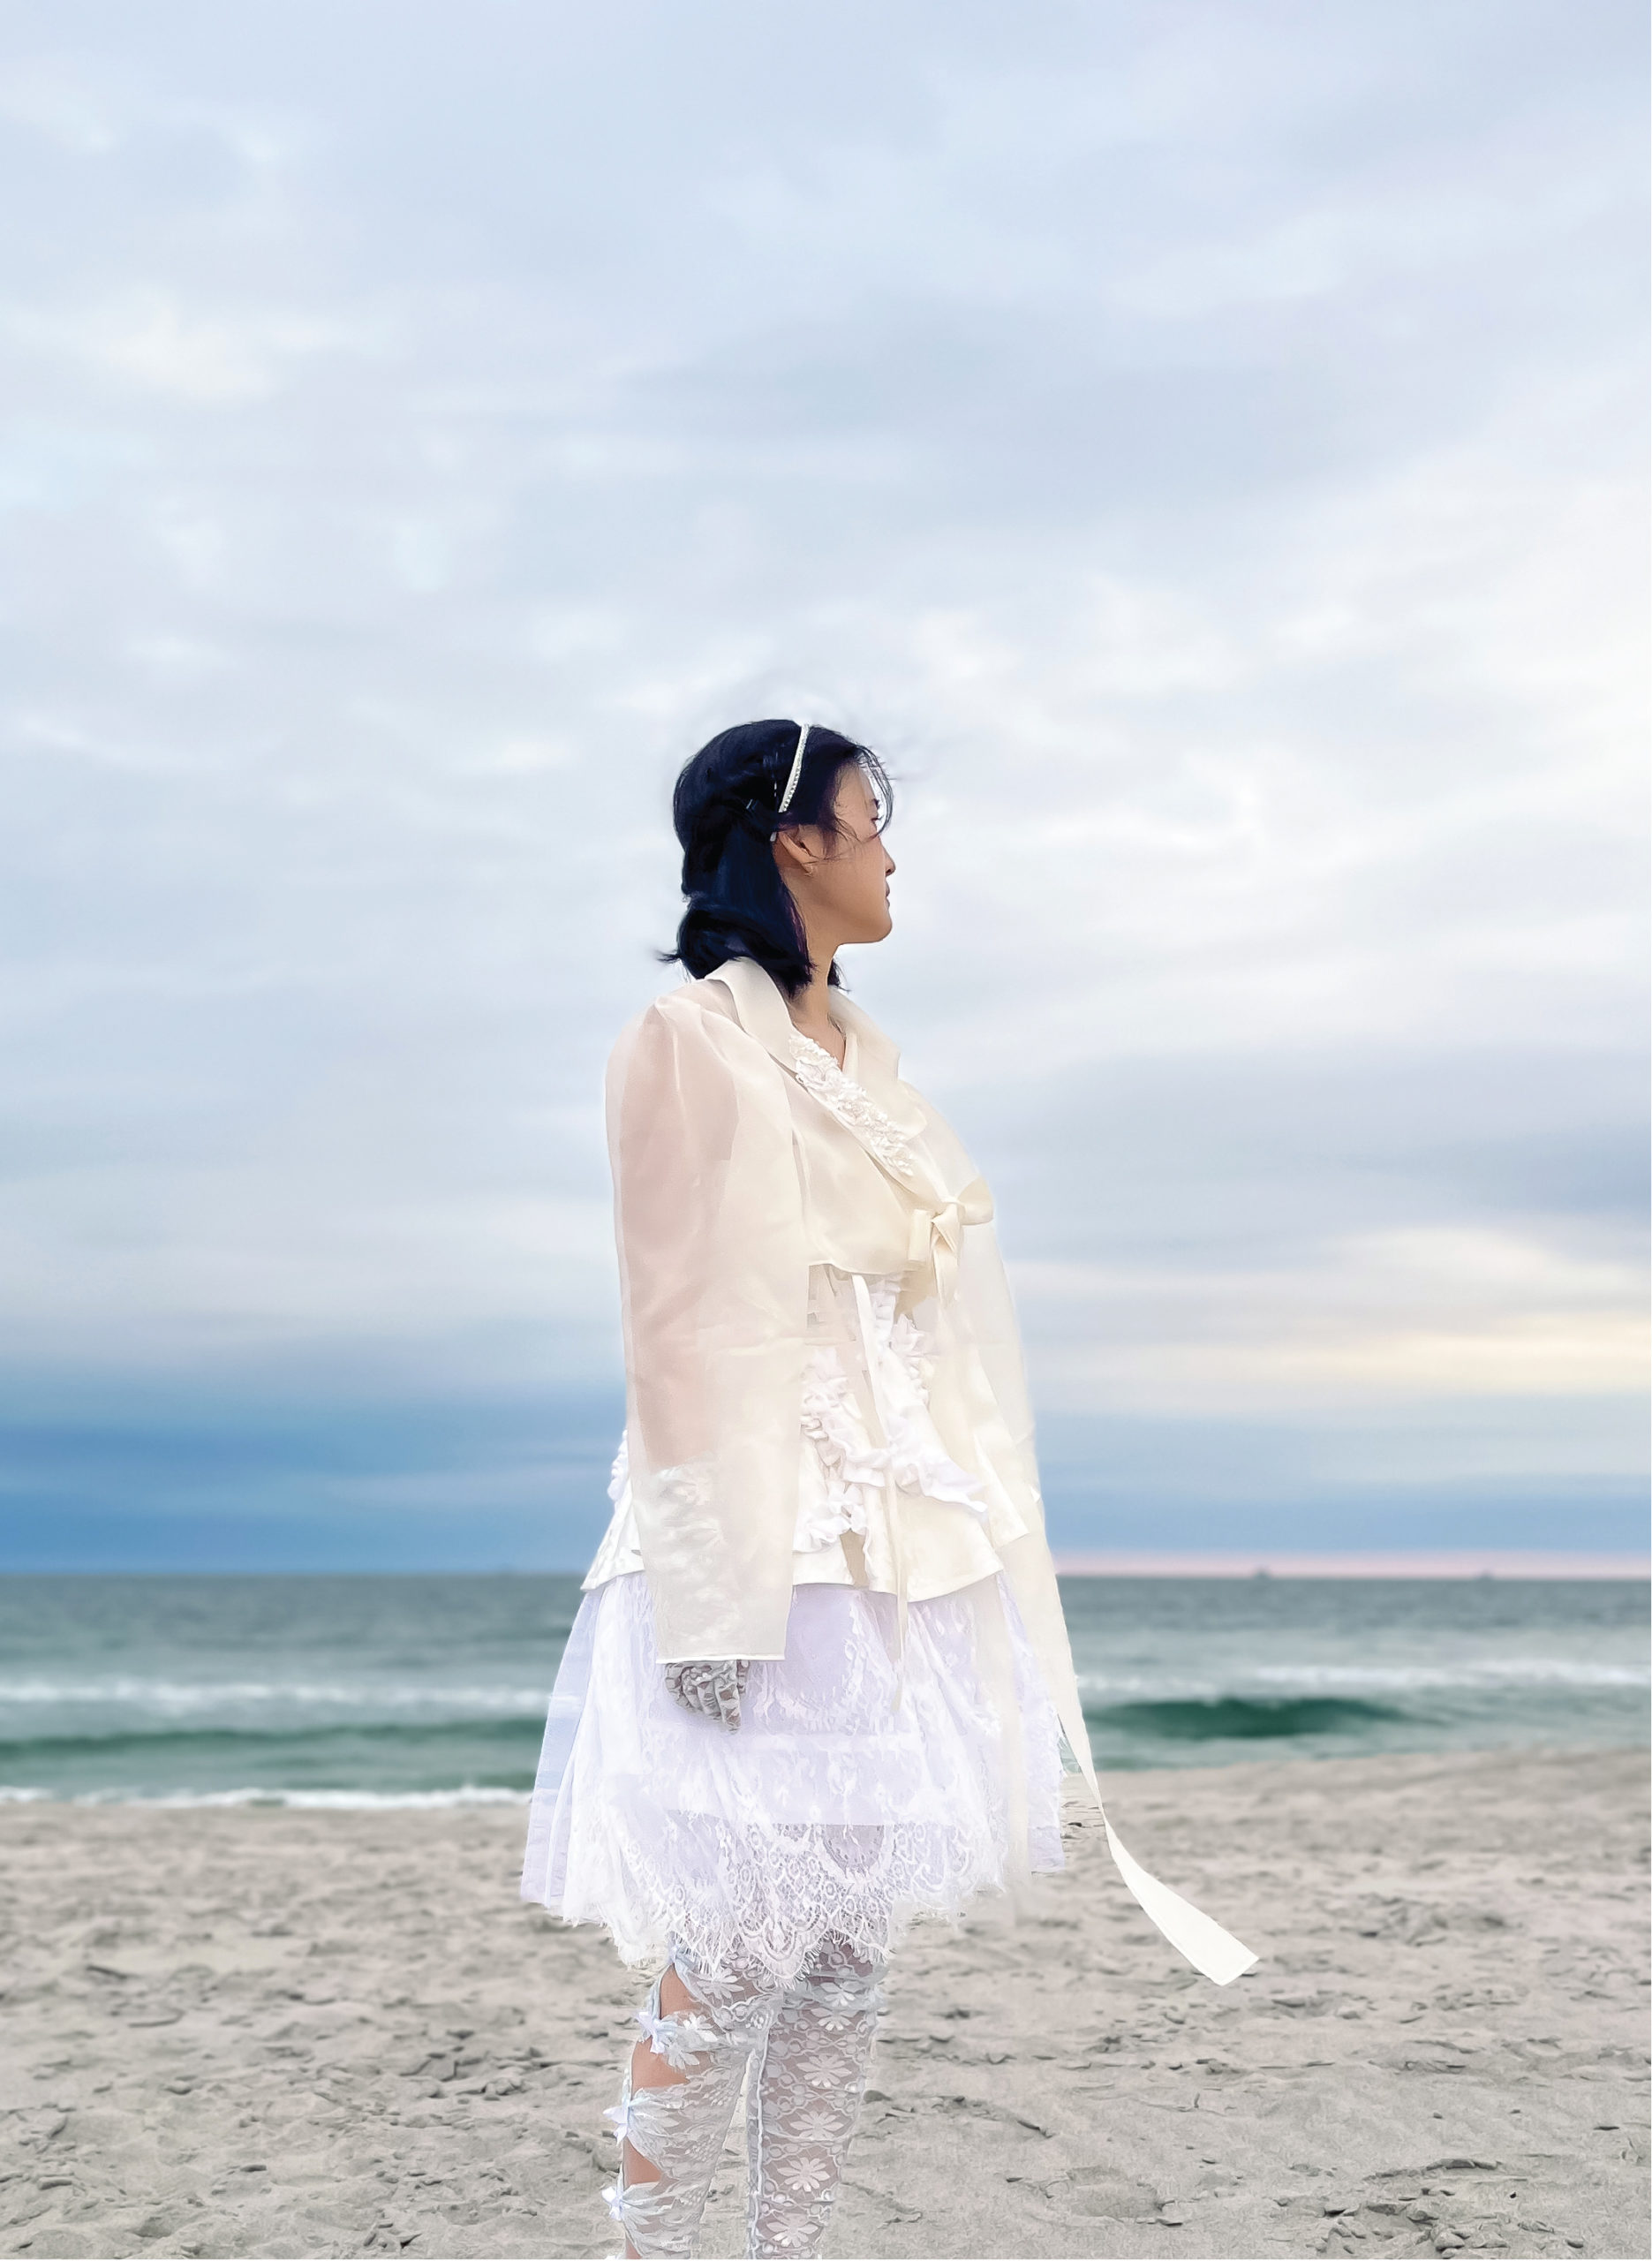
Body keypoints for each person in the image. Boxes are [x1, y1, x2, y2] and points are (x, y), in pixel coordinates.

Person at [521, 720, 1256, 2260]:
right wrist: (709, 1586)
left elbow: (928, 1331)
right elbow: (677, 1324)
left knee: (850, 1947)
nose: (893, 848)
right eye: (872, 815)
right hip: (756, 1534)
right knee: (731, 1940)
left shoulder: (874, 1063)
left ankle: (790, 2246)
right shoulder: (686, 1042)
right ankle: (650, 2249)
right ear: (791, 836)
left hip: (897, 1547)